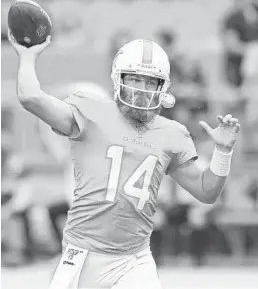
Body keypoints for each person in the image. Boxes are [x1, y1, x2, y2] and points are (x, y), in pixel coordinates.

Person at [9, 31, 240, 288]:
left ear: (162, 87)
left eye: (150, 82)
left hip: (134, 260)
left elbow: (207, 192)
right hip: (82, 254)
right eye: (135, 79)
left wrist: (223, 152)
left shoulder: (172, 133)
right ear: (118, 79)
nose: (141, 90)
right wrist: (27, 57)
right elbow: (31, 98)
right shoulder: (91, 110)